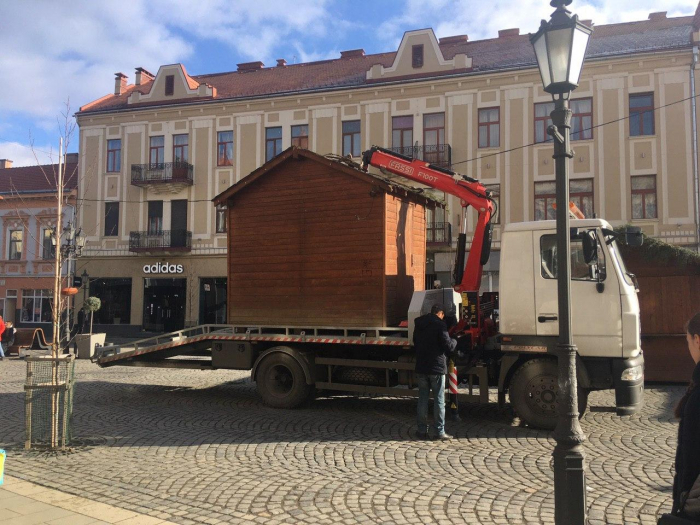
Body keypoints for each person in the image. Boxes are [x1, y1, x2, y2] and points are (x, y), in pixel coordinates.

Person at [663, 312, 700, 523]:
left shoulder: (697, 398)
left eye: (688, 342)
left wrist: (682, 500)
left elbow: (690, 459)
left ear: (697, 340)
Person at [414, 303, 457, 440]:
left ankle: (421, 430)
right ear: (441, 313)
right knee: (439, 400)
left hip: (421, 366)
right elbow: (448, 346)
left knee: (422, 399)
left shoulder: (419, 323)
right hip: (436, 368)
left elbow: (415, 342)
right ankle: (439, 431)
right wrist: (455, 341)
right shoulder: (440, 325)